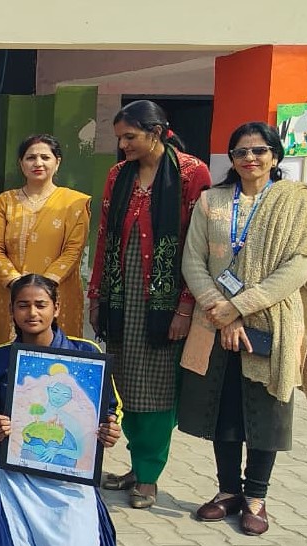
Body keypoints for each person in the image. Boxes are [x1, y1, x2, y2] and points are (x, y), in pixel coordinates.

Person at [178, 122, 307, 536]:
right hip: (215, 320)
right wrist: (222, 312)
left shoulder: (296, 201)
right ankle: (227, 490)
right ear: (231, 159)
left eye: (259, 150)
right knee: (224, 406)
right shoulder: (212, 200)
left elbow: (300, 265)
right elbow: (193, 260)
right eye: (240, 152)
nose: (250, 158)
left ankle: (256, 497)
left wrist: (238, 306)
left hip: (273, 319)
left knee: (266, 408)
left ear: (275, 155)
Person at [88, 100, 212, 509]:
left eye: (130, 137)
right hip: (121, 296)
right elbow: (105, 235)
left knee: (156, 391)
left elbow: (198, 246)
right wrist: (96, 295)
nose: (123, 145)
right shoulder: (118, 175)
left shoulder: (192, 173)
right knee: (124, 385)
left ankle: (149, 476)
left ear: (156, 132)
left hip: (164, 300)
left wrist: (185, 308)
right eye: (120, 138)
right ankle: (135, 465)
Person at [0, 274, 122, 546]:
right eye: (23, 305)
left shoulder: (85, 353)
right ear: (11, 310)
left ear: (57, 307)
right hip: (16, 469)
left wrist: (110, 428)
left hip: (68, 474)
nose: (32, 313)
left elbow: (109, 407)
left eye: (41, 304)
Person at [0, 134, 90, 345]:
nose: (38, 163)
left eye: (45, 157)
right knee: (10, 355)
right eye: (31, 157)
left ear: (57, 162)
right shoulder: (5, 201)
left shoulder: (75, 203)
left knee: (58, 352)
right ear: (21, 163)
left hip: (58, 292)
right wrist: (17, 282)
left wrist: (44, 286)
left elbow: (73, 251)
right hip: (13, 291)